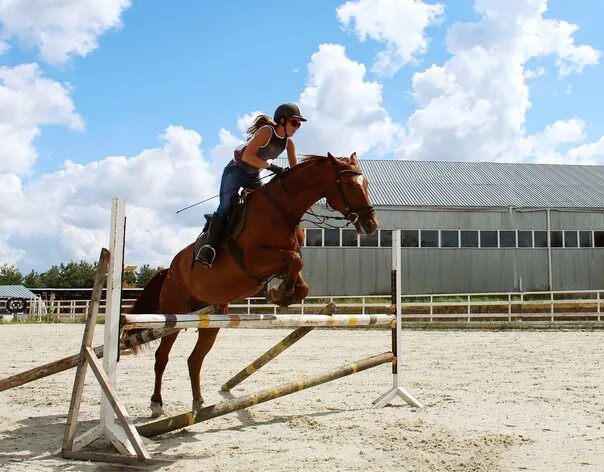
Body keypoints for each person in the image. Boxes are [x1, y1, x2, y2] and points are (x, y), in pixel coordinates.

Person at [196, 103, 306, 268]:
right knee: (225, 206)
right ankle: (208, 248)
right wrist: (272, 167)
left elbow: (295, 170)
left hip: (253, 176)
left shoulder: (289, 143)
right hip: (235, 172)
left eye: (299, 124)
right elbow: (247, 157)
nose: (297, 127)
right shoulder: (266, 132)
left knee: (266, 205)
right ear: (282, 121)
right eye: (294, 123)